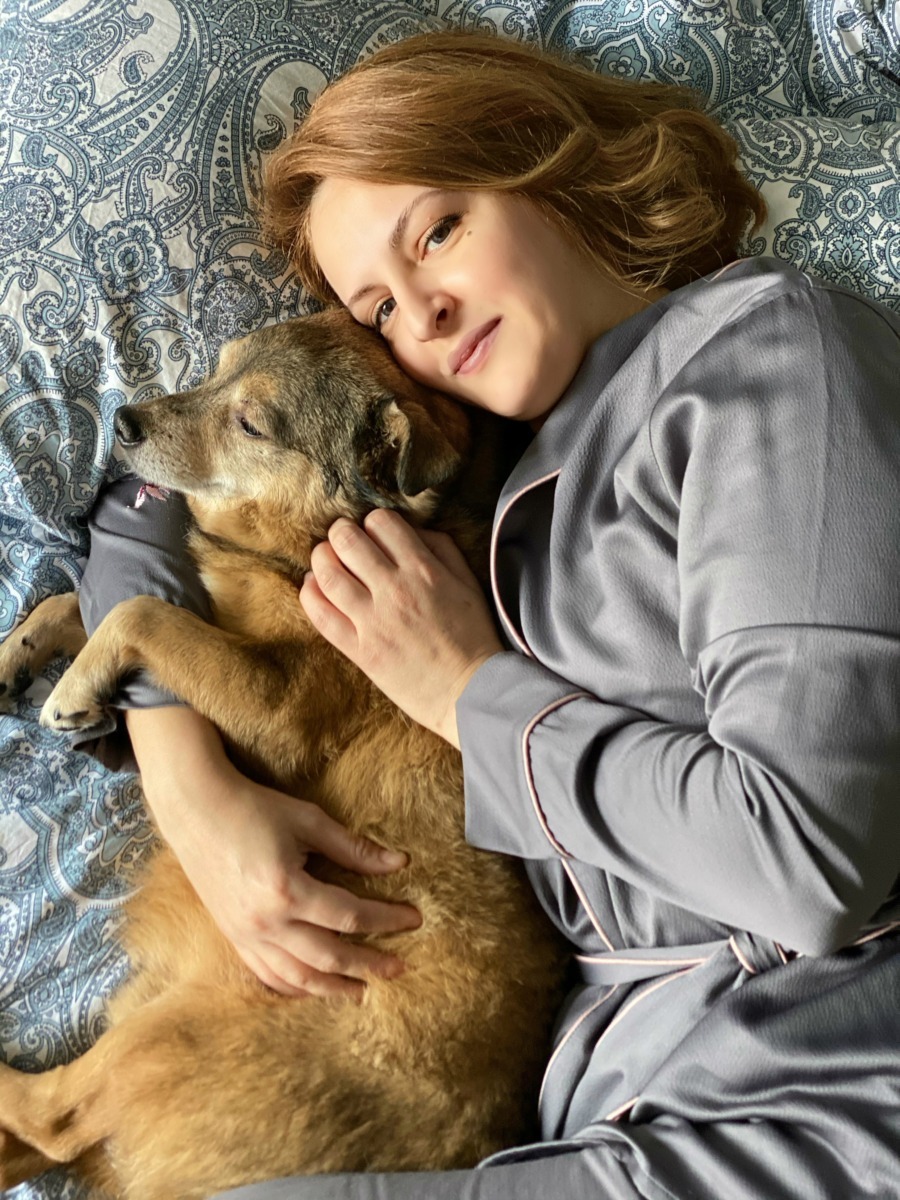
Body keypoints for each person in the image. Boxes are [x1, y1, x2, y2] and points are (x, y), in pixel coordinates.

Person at [79, 30, 900, 1200]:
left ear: (544, 165)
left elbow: (807, 863)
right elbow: (147, 500)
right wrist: (192, 787)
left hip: (817, 1102)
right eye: (375, 306)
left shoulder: (769, 356)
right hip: (606, 1104)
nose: (421, 310)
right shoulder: (473, 451)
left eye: (441, 231)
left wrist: (467, 691)